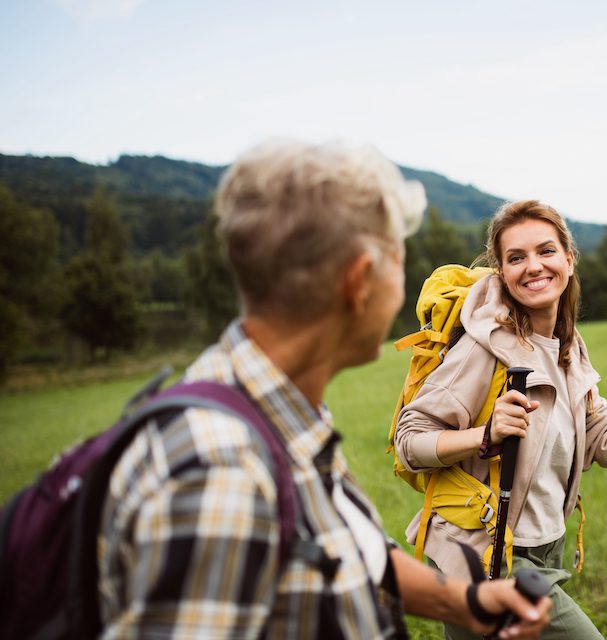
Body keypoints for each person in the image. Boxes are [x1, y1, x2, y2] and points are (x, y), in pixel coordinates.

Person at [96, 141, 552, 639]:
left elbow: (346, 548)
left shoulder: (271, 407)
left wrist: (463, 601)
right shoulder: (223, 471)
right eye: (399, 263)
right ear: (360, 282)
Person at [392, 199, 607, 639]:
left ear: (568, 258)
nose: (533, 266)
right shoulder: (484, 348)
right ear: (502, 273)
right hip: (483, 551)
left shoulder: (568, 349)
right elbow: (409, 440)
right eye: (516, 257)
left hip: (545, 548)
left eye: (545, 251)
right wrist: (484, 435)